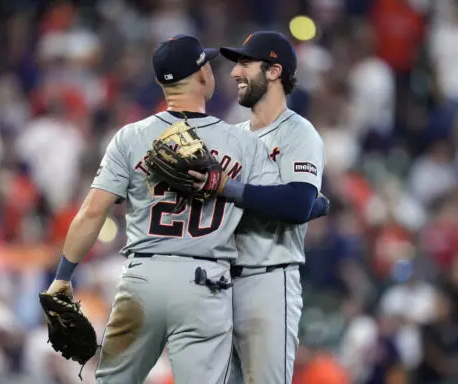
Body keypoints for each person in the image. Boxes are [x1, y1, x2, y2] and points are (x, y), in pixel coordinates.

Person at [44, 34, 324, 384]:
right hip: (205, 286)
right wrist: (316, 205)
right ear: (203, 76)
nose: (229, 71)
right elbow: (286, 200)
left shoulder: (130, 136)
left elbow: (90, 213)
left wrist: (62, 276)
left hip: (142, 279)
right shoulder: (241, 143)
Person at [195, 31, 327, 384]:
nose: (235, 72)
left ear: (273, 71)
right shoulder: (230, 136)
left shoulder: (299, 133)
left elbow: (297, 203)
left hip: (267, 281)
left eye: (245, 63)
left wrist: (228, 188)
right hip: (219, 285)